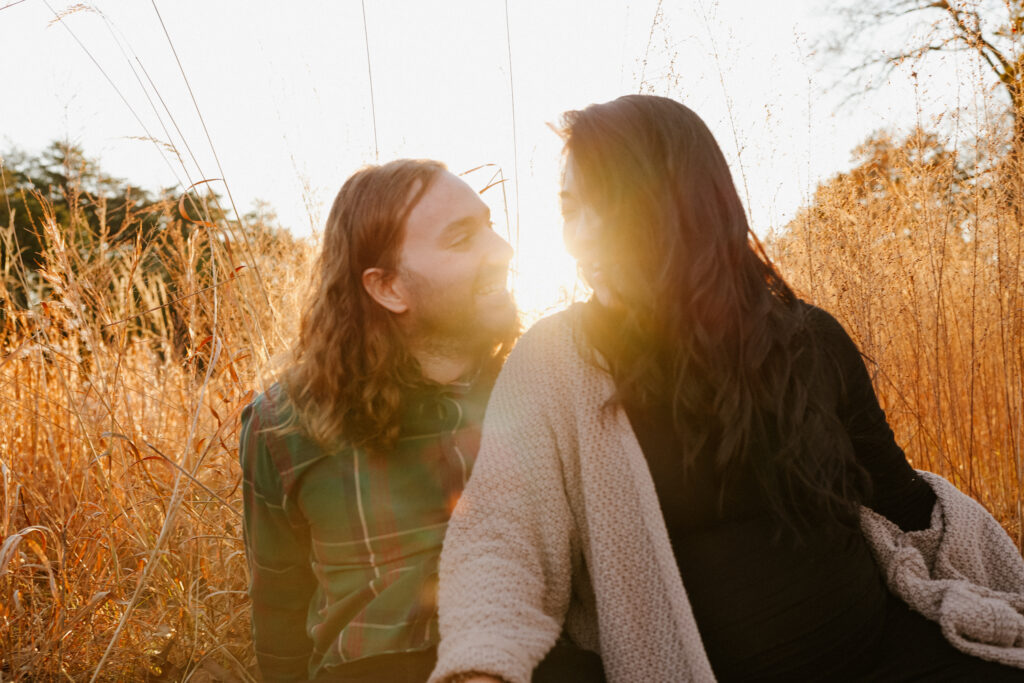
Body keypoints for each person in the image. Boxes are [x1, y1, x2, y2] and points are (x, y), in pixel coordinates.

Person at [429, 95, 1024, 683]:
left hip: (890, 656)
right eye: (569, 210)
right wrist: (480, 666)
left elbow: (899, 499)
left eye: (607, 208)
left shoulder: (808, 337)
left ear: (681, 207)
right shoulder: (559, 358)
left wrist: (980, 573)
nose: (582, 238)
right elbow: (500, 538)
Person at [239, 159, 519, 682]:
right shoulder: (285, 423)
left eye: (489, 226)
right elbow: (278, 602)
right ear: (388, 287)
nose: (502, 251)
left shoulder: (538, 388)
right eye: (462, 239)